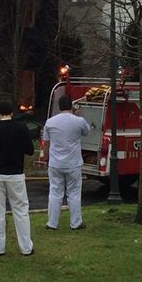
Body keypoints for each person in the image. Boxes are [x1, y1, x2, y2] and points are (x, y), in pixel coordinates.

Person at [0, 100, 35, 256]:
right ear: (12, 113)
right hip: (15, 175)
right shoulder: (21, 128)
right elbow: (30, 150)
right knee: (21, 211)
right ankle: (26, 247)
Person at [38, 95, 92, 231]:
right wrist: (78, 115)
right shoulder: (78, 121)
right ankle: (76, 222)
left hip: (55, 162)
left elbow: (46, 143)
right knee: (73, 193)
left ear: (59, 107)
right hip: (73, 162)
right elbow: (87, 132)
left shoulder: (50, 122)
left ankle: (52, 223)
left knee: (55, 192)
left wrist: (46, 158)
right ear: (72, 107)